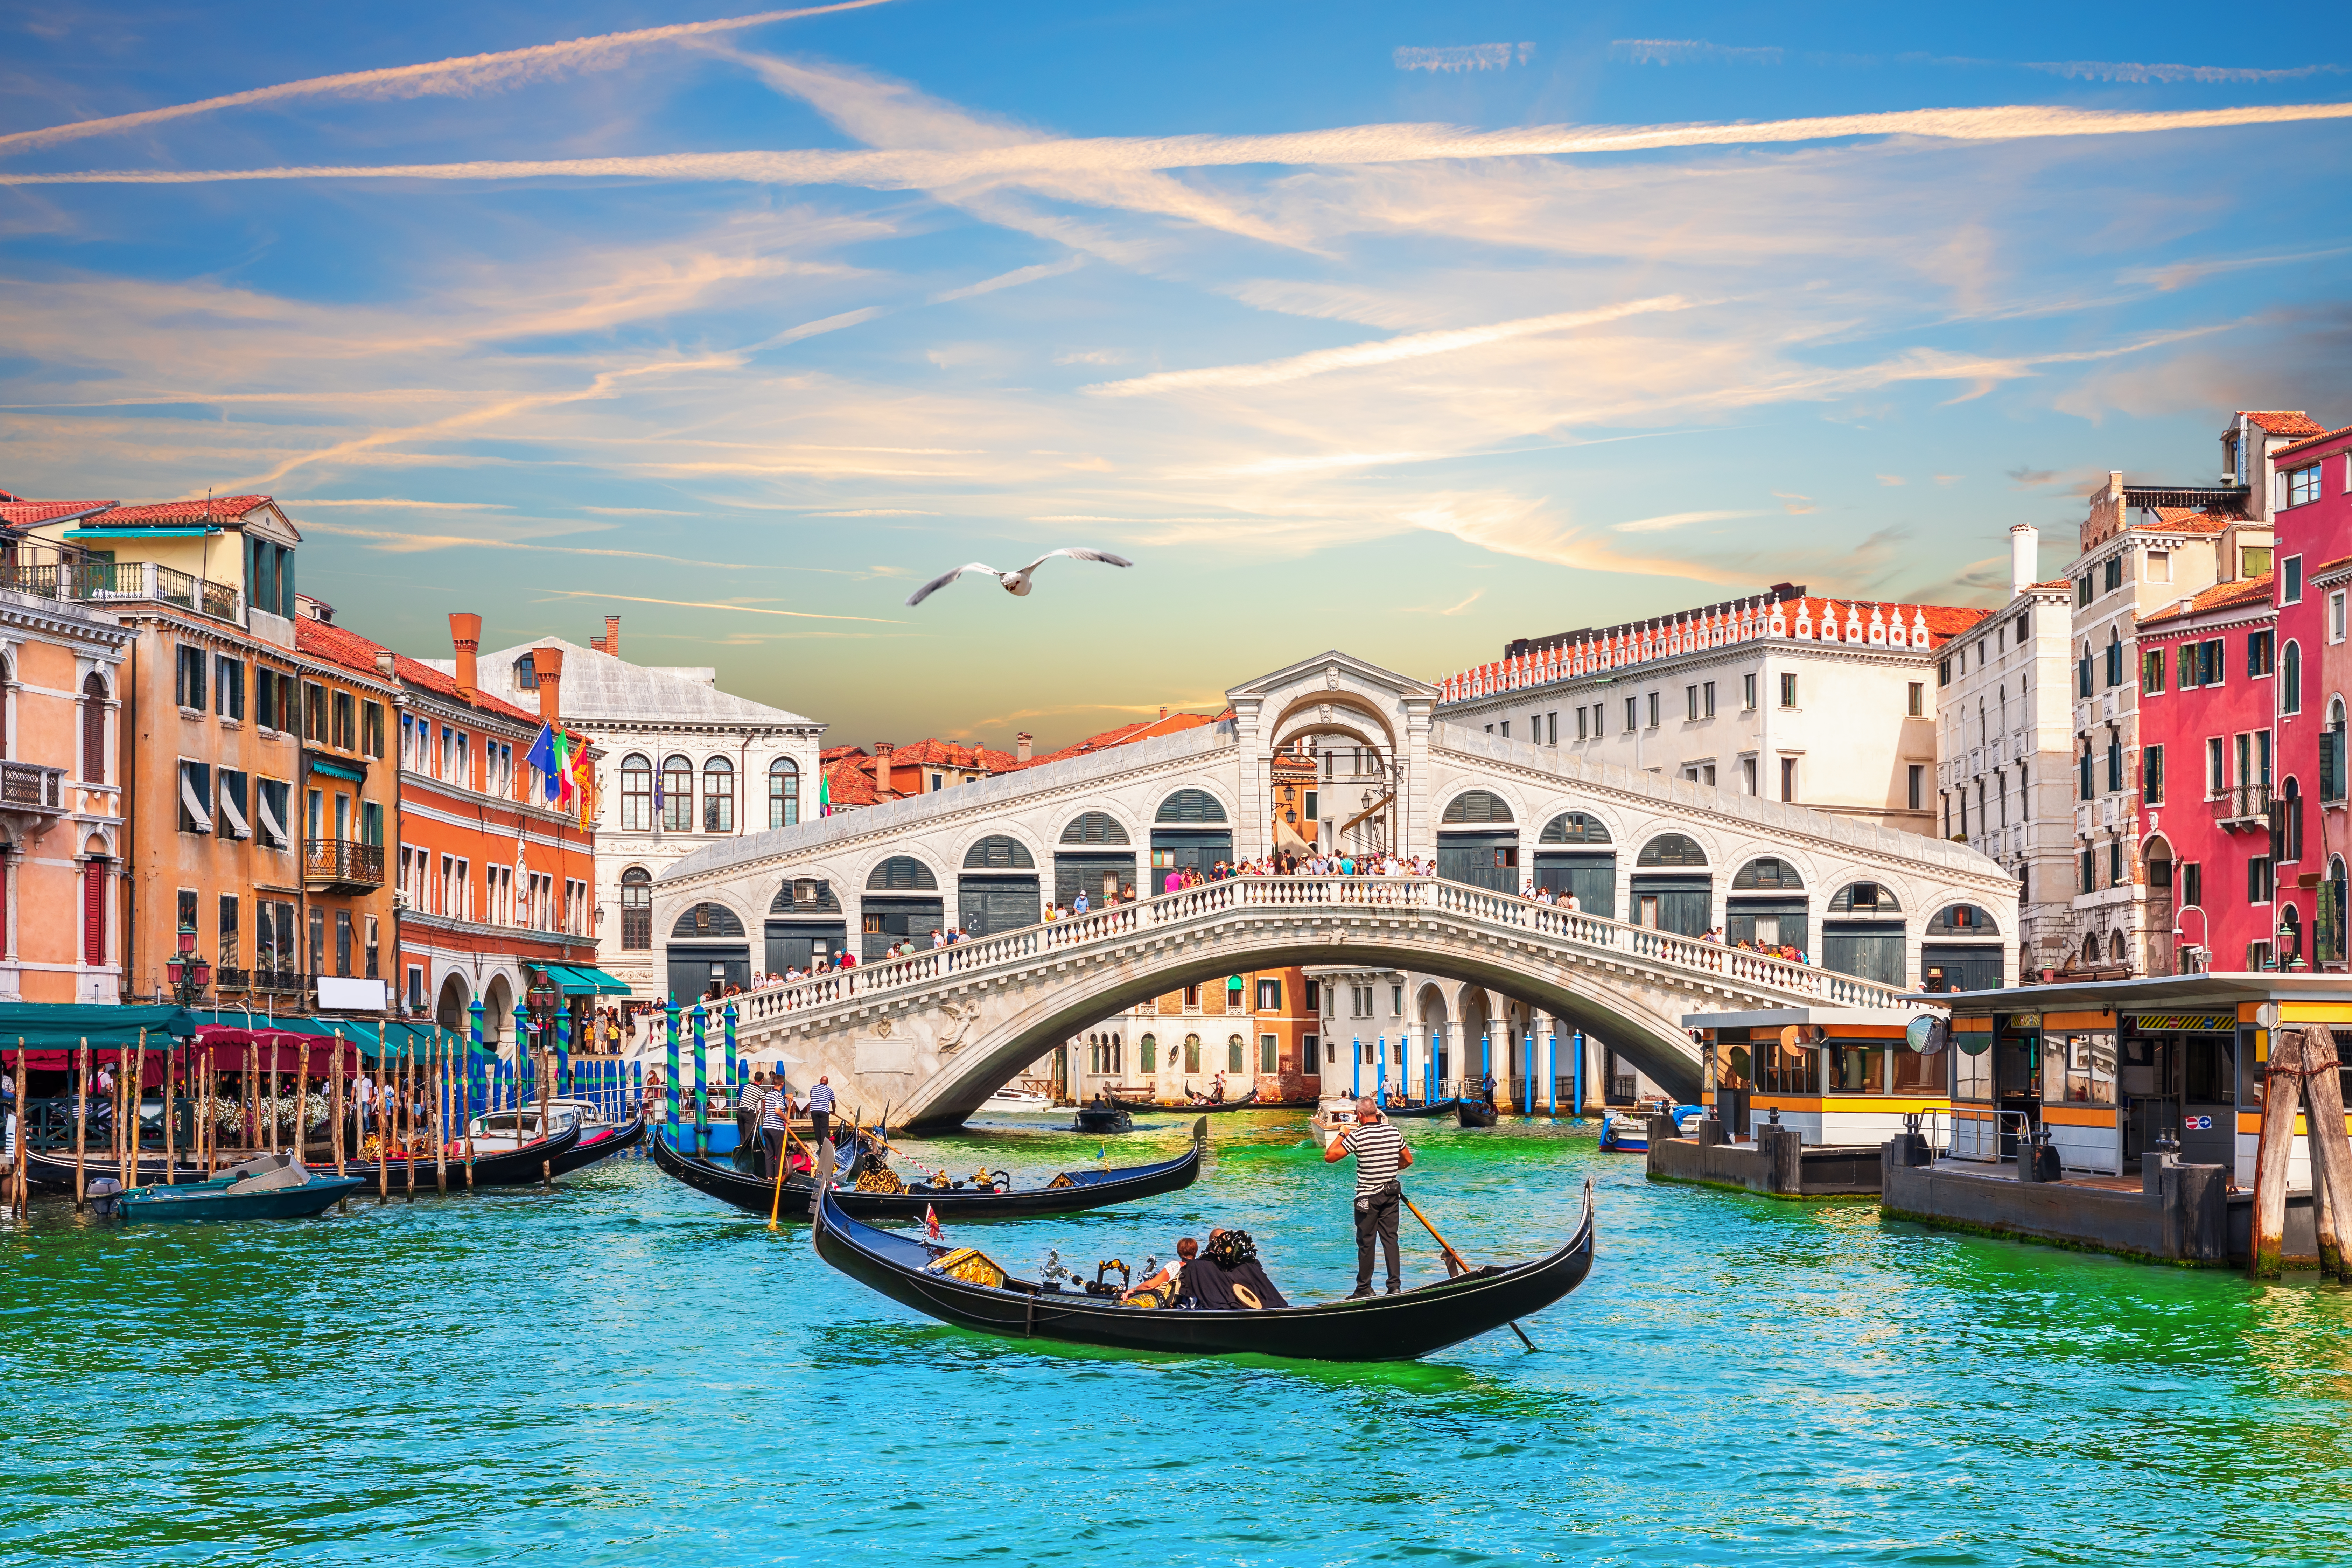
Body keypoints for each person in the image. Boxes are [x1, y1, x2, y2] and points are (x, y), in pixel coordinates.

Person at [1324, 1095, 1412, 1297]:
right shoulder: (1393, 1131)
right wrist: (1390, 1168)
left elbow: (1330, 1157)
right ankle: (1395, 1287)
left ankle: (1364, 1289)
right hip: (1391, 1195)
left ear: (1359, 1115)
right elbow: (1408, 1160)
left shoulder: (1358, 1136)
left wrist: (1342, 1134)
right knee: (1391, 1240)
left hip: (1367, 1199)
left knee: (1366, 1243)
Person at [1181, 1227, 1288, 1309]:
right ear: (1213, 1242)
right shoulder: (1202, 1264)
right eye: (1220, 1241)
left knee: (1249, 1266)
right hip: (1219, 1297)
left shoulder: (1242, 1264)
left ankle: (1272, 1305)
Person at [1122, 1237, 1194, 1304]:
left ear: (1179, 1252)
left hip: (1174, 1304)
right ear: (1195, 1252)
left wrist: (1133, 1290)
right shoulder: (1199, 1267)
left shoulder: (1175, 1266)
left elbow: (1150, 1286)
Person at [758, 1074, 791, 1179]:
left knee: (770, 1154)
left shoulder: (768, 1094)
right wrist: (786, 1119)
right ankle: (778, 1177)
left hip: (766, 1127)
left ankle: (769, 1177)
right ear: (783, 1084)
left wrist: (785, 1096)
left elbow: (777, 1099)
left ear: (774, 1083)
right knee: (780, 1153)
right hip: (777, 1128)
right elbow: (778, 1111)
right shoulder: (779, 1097)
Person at [737, 1070, 765, 1155]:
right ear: (762, 1080)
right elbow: (766, 1102)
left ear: (754, 1078)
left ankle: (741, 1154)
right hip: (749, 1114)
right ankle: (747, 1155)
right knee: (748, 1137)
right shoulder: (760, 1092)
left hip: (740, 1112)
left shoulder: (747, 1087)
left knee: (742, 1137)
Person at [806, 1074, 836, 1144]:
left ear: (820, 1081)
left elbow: (812, 1097)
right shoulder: (830, 1090)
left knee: (817, 1129)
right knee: (824, 1129)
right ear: (828, 1082)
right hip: (824, 1111)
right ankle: (823, 1145)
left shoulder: (814, 1088)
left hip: (814, 1110)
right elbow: (833, 1103)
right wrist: (834, 1111)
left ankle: (820, 1144)